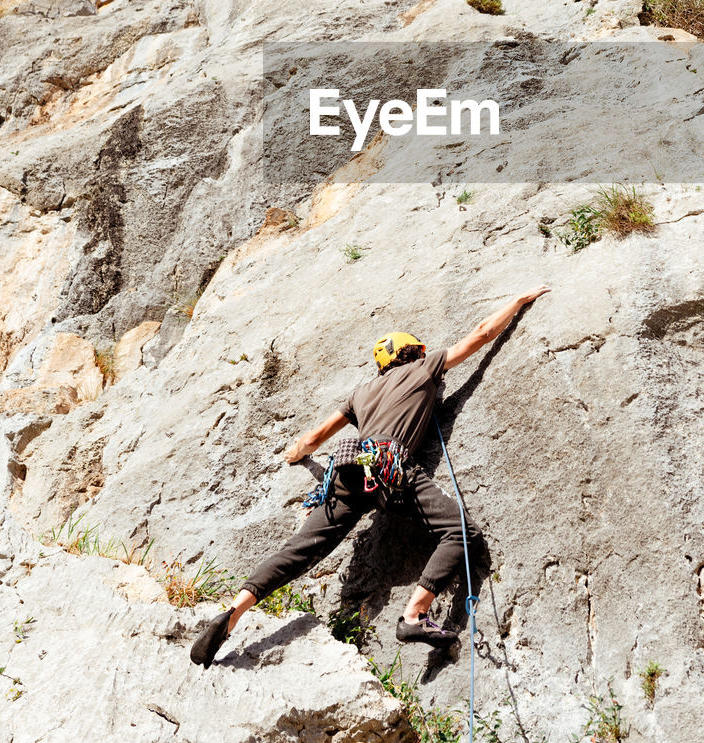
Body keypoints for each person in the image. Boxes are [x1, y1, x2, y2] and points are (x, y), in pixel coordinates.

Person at [190, 286, 550, 669]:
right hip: (390, 469)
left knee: (299, 550)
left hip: (348, 469)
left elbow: (312, 440)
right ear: (413, 353)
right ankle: (414, 615)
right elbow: (481, 334)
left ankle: (233, 612)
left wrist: (296, 455)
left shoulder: (361, 392)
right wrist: (518, 301)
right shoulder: (423, 369)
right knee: (461, 531)